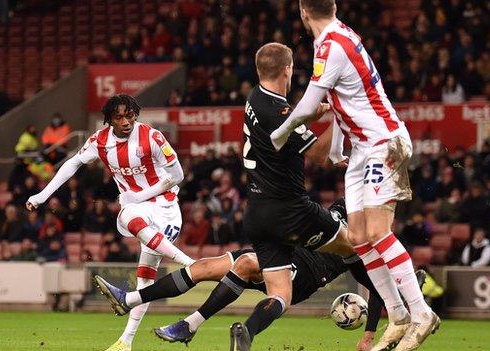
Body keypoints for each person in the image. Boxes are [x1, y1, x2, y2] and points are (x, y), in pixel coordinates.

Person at [269, 2, 438, 350]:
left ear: (303, 11)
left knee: (377, 231)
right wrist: (335, 150)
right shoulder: (336, 38)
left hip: (382, 141)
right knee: (359, 237)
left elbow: (308, 105)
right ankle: (398, 315)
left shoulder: (331, 44)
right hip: (362, 148)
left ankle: (421, 313)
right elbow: (336, 99)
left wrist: (279, 133)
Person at [93, 200, 425, 349]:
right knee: (206, 266)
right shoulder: (344, 206)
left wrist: (368, 334)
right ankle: (131, 299)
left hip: (308, 270)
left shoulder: (364, 249)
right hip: (282, 246)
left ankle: (202, 327)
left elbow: (378, 290)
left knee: (247, 265)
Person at [227, 41, 382, 351]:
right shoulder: (276, 109)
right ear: (288, 69)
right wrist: (338, 117)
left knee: (276, 290)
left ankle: (238, 330)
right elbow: (318, 155)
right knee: (358, 248)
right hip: (293, 218)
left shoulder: (256, 99)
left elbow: (288, 121)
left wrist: (322, 110)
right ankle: (405, 296)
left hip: (269, 223)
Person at [26, 94, 194, 351]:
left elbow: (178, 175)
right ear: (109, 120)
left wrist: (139, 195)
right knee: (129, 224)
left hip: (166, 207)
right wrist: (42, 195)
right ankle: (127, 340)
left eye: (130, 115)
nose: (126, 121)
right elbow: (72, 164)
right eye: (119, 117)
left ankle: (189, 266)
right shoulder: (99, 141)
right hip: (137, 209)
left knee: (144, 278)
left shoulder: (152, 137)